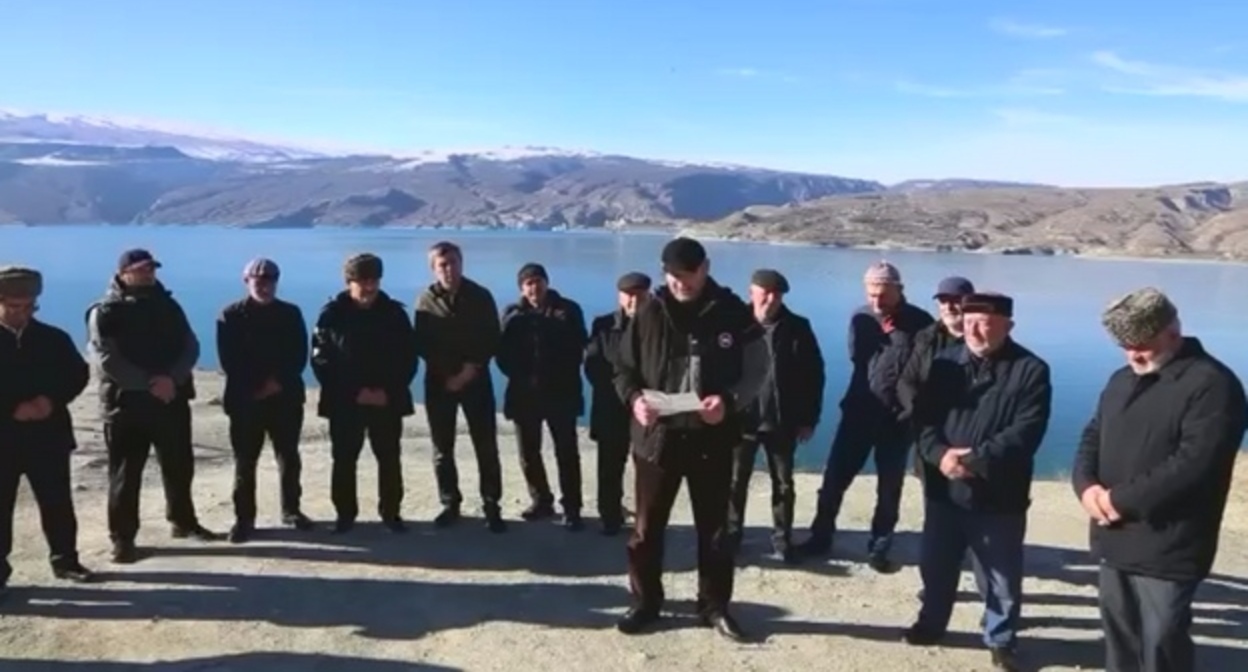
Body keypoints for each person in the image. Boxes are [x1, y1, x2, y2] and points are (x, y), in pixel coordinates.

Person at [1072, 287, 1247, 672]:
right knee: (1120, 640)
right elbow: (1092, 436)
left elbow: (1195, 464)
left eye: (1142, 346)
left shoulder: (1213, 385)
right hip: (1113, 537)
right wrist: (1086, 488)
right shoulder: (1121, 380)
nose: (1133, 355)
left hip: (1170, 544)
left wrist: (1118, 500)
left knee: (1162, 643)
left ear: (1172, 331)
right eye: (1125, 347)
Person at [612, 237, 769, 642]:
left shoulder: (732, 311)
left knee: (715, 531)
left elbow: (758, 369)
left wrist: (729, 402)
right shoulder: (647, 312)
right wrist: (634, 400)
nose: (680, 282)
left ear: (705, 268)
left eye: (688, 274)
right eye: (672, 275)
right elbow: (623, 368)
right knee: (647, 530)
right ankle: (646, 602)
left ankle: (714, 606)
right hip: (657, 439)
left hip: (711, 439)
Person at [903, 292, 1052, 672]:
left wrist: (973, 460)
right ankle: (932, 623)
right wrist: (940, 456)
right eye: (968, 321)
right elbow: (924, 419)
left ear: (1007, 325)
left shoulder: (1030, 370)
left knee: (999, 573)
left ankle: (1000, 639)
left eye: (983, 322)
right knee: (936, 565)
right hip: (944, 489)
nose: (973, 329)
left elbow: (1025, 432)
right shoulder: (944, 365)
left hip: (998, 494)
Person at [86, 249, 222, 564]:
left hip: (170, 400)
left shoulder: (168, 305)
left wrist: (171, 380)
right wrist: (151, 384)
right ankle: (123, 540)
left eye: (151, 269)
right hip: (126, 405)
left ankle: (183, 521)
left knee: (179, 465)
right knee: (126, 474)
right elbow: (107, 359)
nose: (148, 274)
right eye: (141, 269)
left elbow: (190, 345)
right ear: (123, 273)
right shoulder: (105, 311)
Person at [800, 261, 934, 571]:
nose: (877, 301)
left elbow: (922, 372)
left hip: (897, 420)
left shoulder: (921, 323)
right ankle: (821, 536)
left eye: (883, 295)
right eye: (872, 294)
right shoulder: (860, 318)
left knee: (889, 487)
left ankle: (879, 546)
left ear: (899, 290)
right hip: (858, 411)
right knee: (834, 479)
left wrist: (910, 410)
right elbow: (857, 359)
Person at [0, 267, 96, 600]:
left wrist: (50, 400)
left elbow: (77, 374)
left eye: (29, 306)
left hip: (48, 437)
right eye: (14, 306)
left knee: (57, 503)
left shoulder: (53, 338)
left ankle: (66, 561)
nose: (22, 313)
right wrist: (11, 408)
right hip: (3, 439)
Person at [311, 253, 419, 534]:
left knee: (389, 458)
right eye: (363, 281)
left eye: (374, 280)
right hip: (345, 402)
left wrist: (387, 391)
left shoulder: (394, 314)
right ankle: (345, 515)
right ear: (349, 282)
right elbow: (321, 361)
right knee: (344, 459)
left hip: (386, 400)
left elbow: (408, 358)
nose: (369, 287)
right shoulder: (331, 315)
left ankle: (391, 513)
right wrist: (354, 393)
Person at [725, 269, 825, 564]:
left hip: (782, 420)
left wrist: (809, 419)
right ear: (751, 292)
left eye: (776, 294)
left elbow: (814, 375)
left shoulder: (797, 327)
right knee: (734, 481)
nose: (770, 299)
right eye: (765, 292)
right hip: (741, 421)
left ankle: (782, 538)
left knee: (783, 483)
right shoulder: (734, 325)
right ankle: (732, 535)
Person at [216, 258, 312, 543]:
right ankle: (244, 519)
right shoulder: (230, 315)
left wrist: (276, 382)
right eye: (257, 281)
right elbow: (229, 360)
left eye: (269, 280)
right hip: (245, 400)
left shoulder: (290, 313)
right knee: (245, 460)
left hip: (285, 397)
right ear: (246, 281)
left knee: (289, 456)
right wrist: (257, 387)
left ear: (276, 282)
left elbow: (298, 354)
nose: (263, 286)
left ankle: (291, 510)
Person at [413, 241, 506, 533]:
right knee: (442, 447)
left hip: (476, 380)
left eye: (453, 262)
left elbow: (492, 337)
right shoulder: (425, 300)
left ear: (461, 263)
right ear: (433, 268)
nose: (449, 269)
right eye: (442, 265)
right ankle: (450, 502)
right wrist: (447, 375)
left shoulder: (480, 296)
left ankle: (491, 504)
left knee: (485, 445)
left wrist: (469, 369)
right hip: (439, 383)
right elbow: (422, 343)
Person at [497, 263, 588, 530]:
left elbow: (580, 346)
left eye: (538, 281)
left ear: (547, 283)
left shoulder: (568, 310)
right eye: (528, 283)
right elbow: (502, 352)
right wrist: (521, 375)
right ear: (521, 288)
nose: (534, 287)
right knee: (528, 452)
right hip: (524, 394)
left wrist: (557, 373)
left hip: (561, 392)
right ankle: (541, 500)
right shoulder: (511, 314)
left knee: (567, 452)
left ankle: (572, 507)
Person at [585, 271, 652, 536]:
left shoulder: (660, 325)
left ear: (649, 296)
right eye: (628, 295)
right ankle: (610, 516)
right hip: (612, 407)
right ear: (620, 297)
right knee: (610, 467)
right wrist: (624, 393)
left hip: (647, 409)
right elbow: (593, 366)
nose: (634, 301)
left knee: (647, 467)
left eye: (640, 295)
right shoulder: (603, 326)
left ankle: (646, 518)